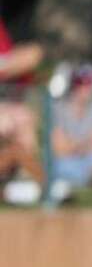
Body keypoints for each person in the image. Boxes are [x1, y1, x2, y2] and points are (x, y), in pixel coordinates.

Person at [0, 17, 45, 200]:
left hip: (7, 101)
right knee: (7, 122)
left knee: (23, 119)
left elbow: (30, 56)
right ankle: (43, 186)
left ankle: (23, 184)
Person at [50, 64, 92, 199]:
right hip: (66, 163)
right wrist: (85, 143)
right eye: (80, 83)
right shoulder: (58, 109)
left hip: (90, 161)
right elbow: (58, 147)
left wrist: (74, 145)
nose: (85, 88)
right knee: (63, 165)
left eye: (89, 83)